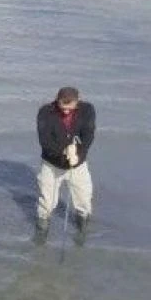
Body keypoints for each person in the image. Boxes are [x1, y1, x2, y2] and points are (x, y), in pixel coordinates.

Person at [35, 86, 96, 243]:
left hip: (78, 165)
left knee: (84, 200)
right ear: (57, 100)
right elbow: (45, 141)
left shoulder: (87, 110)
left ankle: (81, 234)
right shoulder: (45, 112)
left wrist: (78, 154)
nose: (66, 111)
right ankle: (41, 236)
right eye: (63, 107)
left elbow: (88, 134)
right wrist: (62, 153)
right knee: (46, 204)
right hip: (52, 165)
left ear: (78, 101)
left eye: (70, 108)